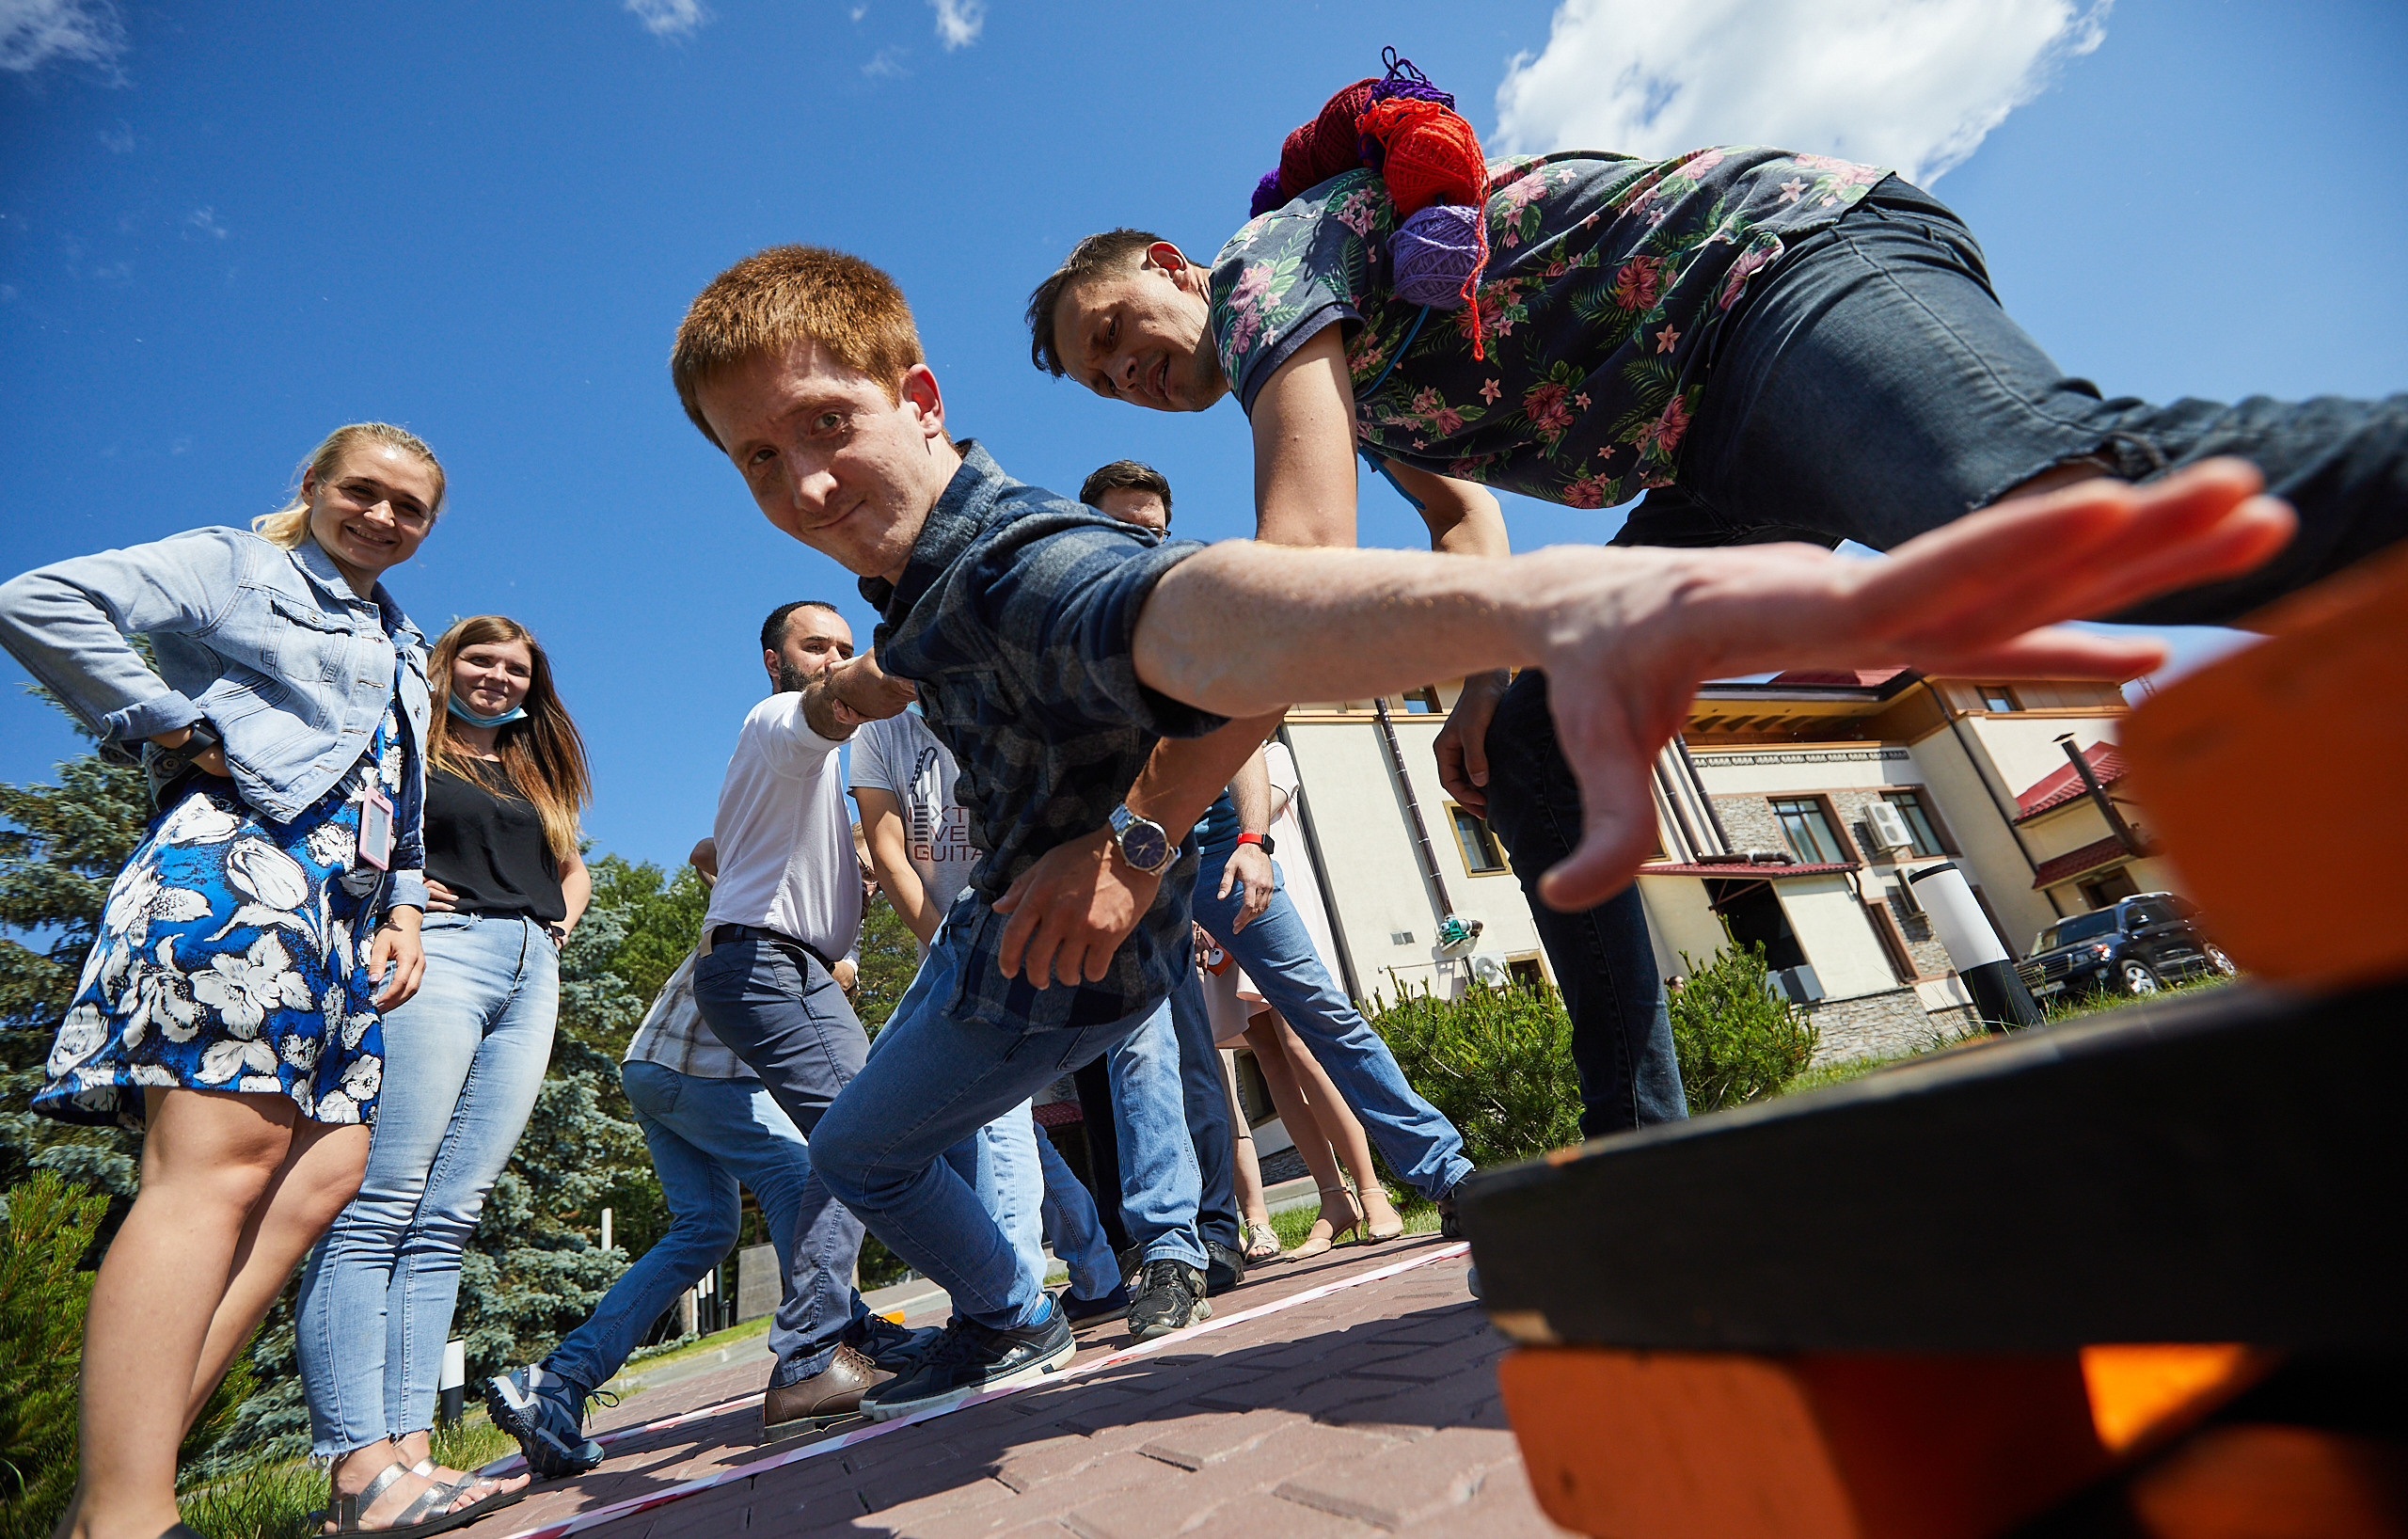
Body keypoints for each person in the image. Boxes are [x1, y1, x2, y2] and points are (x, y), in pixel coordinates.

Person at [662, 243, 2282, 1424]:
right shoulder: (926, 578)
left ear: (918, 395)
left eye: (824, 426)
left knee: (874, 1148)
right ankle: (1044, 1300)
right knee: (920, 1134)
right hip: (1042, 907)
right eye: (757, 460)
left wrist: (1557, 605)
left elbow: (1213, 612)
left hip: (1052, 935)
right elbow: (1041, 628)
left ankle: (1033, 1310)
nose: (801, 481)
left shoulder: (1063, 512)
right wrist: (856, 694)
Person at [1029, 128, 2408, 1143]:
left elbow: (1303, 571)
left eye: (1118, 330)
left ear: (1167, 267)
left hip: (1783, 274)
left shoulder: (1269, 268)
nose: (1130, 378)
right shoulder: (1349, 370)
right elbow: (1460, 533)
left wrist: (1139, 836)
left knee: (2057, 520)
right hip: (1717, 443)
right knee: (1535, 753)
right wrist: (1487, 691)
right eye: (1103, 382)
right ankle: (1647, 1146)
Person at [0, 423, 484, 1539]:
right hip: (234, 871)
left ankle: (106, 1497)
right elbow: (40, 600)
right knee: (215, 1168)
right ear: (313, 487)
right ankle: (129, 1516)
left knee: (322, 1172)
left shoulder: (408, 645)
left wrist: (406, 904)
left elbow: (397, 796)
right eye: (361, 492)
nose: (382, 517)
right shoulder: (238, 565)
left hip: (343, 916)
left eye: (410, 508)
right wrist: (178, 724)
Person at [1085, 462, 1476, 1240]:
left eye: (1155, 529)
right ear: (1091, 528)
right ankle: (1210, 1236)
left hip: (1225, 852)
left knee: (1323, 1012)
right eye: (1127, 526)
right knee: (1182, 1055)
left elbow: (1244, 738)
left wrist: (1257, 843)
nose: (1144, 541)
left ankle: (1448, 1174)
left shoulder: (1195, 611)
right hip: (1137, 864)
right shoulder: (1076, 634)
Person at [293, 614, 591, 1520]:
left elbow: (569, 865)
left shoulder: (534, 770)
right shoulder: (408, 745)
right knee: (379, 1200)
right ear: (446, 664)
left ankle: (412, 1452)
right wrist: (407, 899)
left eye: (517, 669)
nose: (499, 678)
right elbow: (355, 831)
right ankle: (356, 1464)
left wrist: (558, 926)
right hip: (438, 956)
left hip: (527, 967)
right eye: (482, 660)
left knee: (450, 1213)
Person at [483, 880, 933, 1477]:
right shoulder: (790, 894)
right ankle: (828, 1341)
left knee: (706, 1227)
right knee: (808, 1174)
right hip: (695, 1068)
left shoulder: (807, 917)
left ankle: (554, 1382)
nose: (872, 883)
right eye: (863, 868)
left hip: (656, 1068)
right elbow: (705, 852)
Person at [851, 699, 1139, 1327]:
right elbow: (886, 846)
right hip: (950, 939)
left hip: (1015, 917)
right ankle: (1095, 1272)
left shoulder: (985, 685)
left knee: (994, 1119)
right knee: (1000, 1119)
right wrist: (945, 943)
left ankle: (1015, 1312)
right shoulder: (878, 732)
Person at [1198, 738, 1405, 1260]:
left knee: (1301, 1044)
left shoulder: (1273, 753)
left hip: (1272, 905)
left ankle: (1372, 1189)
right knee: (1267, 1054)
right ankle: (1333, 1200)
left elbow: (1253, 808)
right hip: (1224, 908)